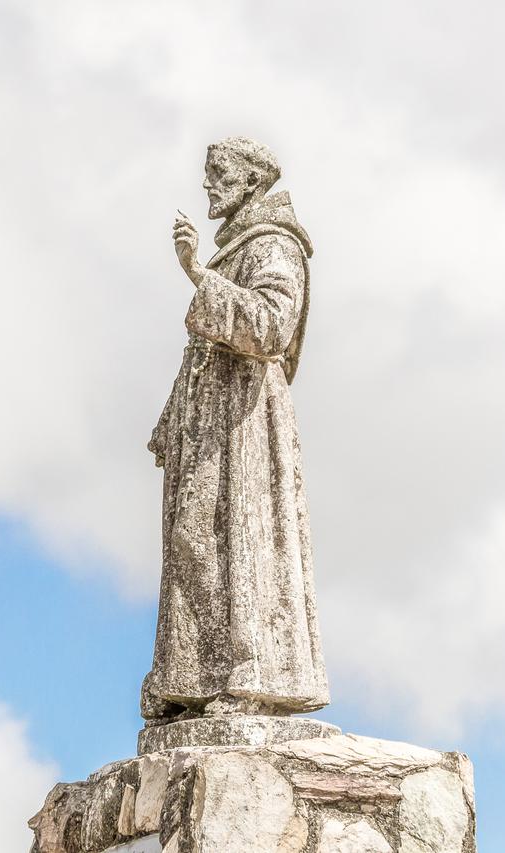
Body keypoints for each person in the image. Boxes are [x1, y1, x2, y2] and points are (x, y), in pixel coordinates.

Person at [142, 137, 328, 722]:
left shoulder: (274, 244)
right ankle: (190, 679)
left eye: (220, 173)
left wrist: (197, 273)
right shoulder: (236, 250)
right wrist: (174, 420)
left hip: (244, 425)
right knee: (196, 543)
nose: (209, 184)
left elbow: (272, 327)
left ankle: (249, 674)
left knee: (238, 544)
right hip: (208, 426)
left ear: (251, 181)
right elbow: (202, 353)